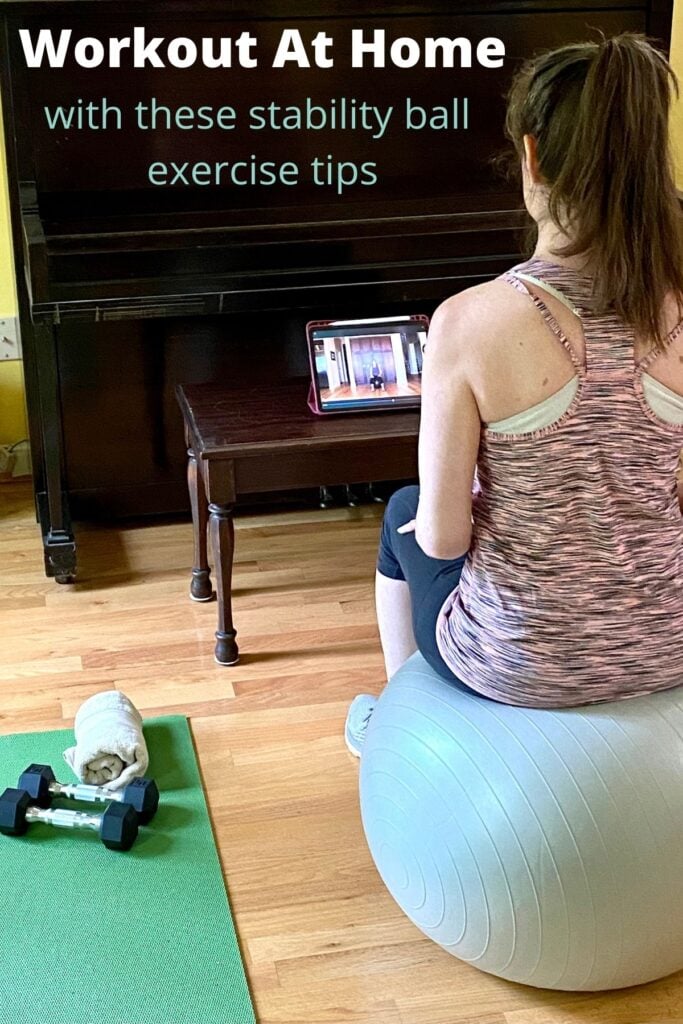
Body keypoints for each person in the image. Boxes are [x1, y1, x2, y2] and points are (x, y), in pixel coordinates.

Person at [345, 31, 683, 756]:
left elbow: (441, 538)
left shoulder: (467, 322)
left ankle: (393, 729)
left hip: (521, 663)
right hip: (668, 645)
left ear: (530, 157)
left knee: (403, 512)